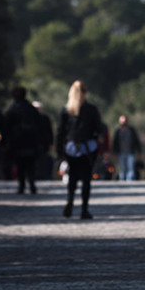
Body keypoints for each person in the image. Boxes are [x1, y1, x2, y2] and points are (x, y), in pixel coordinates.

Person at [56, 80, 103, 219]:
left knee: (72, 177)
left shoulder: (66, 110)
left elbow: (60, 132)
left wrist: (60, 151)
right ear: (85, 92)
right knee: (86, 180)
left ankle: (70, 201)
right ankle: (84, 209)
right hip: (87, 148)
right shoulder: (91, 109)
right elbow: (98, 129)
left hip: (71, 148)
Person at [4, 86, 43, 194]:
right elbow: (40, 126)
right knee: (31, 165)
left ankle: (22, 185)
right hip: (31, 142)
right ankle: (31, 183)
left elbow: (6, 127)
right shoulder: (31, 109)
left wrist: (5, 142)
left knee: (20, 165)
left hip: (17, 143)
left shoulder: (12, 109)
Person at [113, 115, 141, 181]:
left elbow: (136, 141)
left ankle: (129, 183)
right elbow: (115, 143)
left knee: (130, 169)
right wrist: (114, 153)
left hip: (130, 153)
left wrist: (139, 152)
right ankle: (122, 183)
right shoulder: (118, 132)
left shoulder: (131, 131)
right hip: (121, 153)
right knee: (122, 170)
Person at [33, 101, 55, 182]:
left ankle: (43, 176)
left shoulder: (45, 118)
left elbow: (49, 130)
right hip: (33, 144)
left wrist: (51, 142)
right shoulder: (30, 118)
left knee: (44, 160)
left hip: (44, 144)